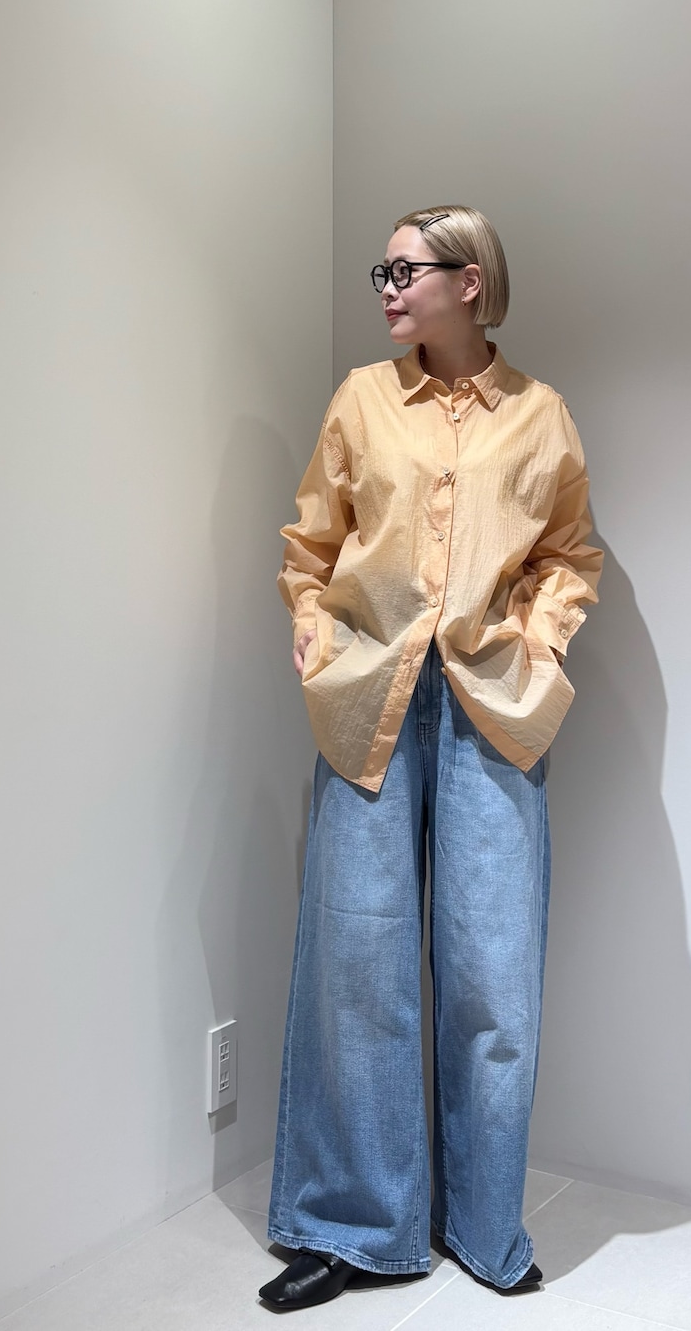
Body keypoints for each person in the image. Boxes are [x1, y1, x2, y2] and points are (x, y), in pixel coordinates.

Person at [259, 206, 604, 1312]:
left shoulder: (541, 416)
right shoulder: (362, 399)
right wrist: (311, 623)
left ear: (470, 281)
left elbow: (568, 554)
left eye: (405, 270)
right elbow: (312, 541)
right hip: (369, 697)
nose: (388, 289)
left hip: (492, 704)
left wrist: (542, 639)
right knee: (356, 969)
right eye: (383, 271)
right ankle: (351, 1227)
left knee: (492, 976)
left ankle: (483, 1223)